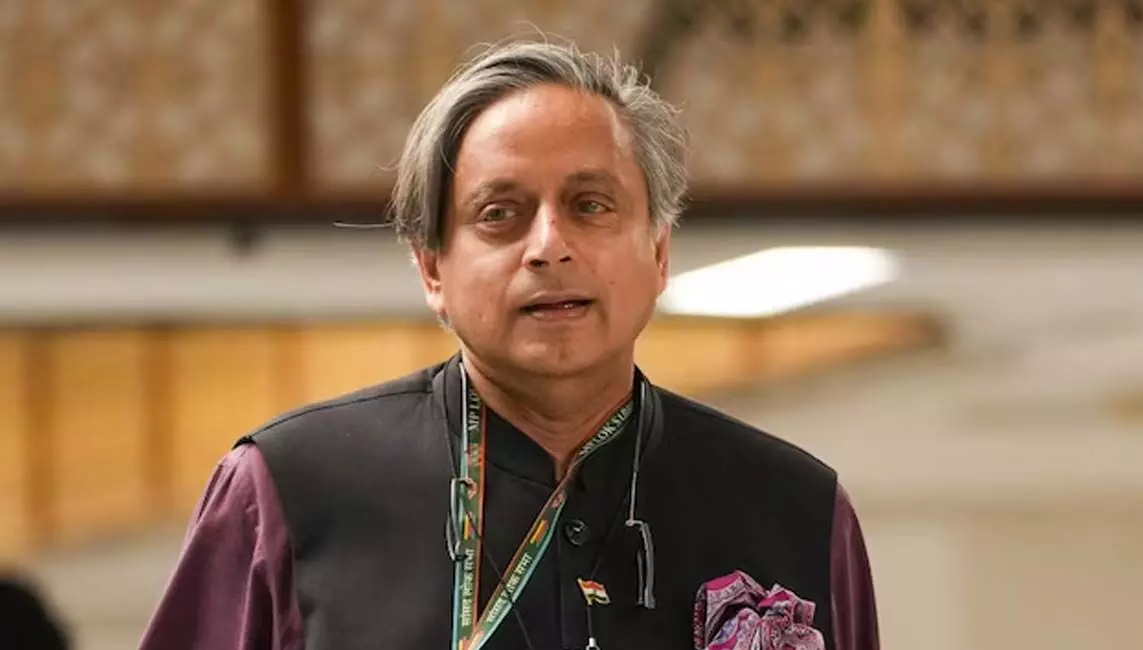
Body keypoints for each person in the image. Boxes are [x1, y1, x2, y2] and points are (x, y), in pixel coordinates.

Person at [141, 39, 879, 650]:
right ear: (432, 269)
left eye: (591, 205)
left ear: (659, 252)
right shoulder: (287, 491)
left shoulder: (797, 512)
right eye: (500, 214)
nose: (549, 245)